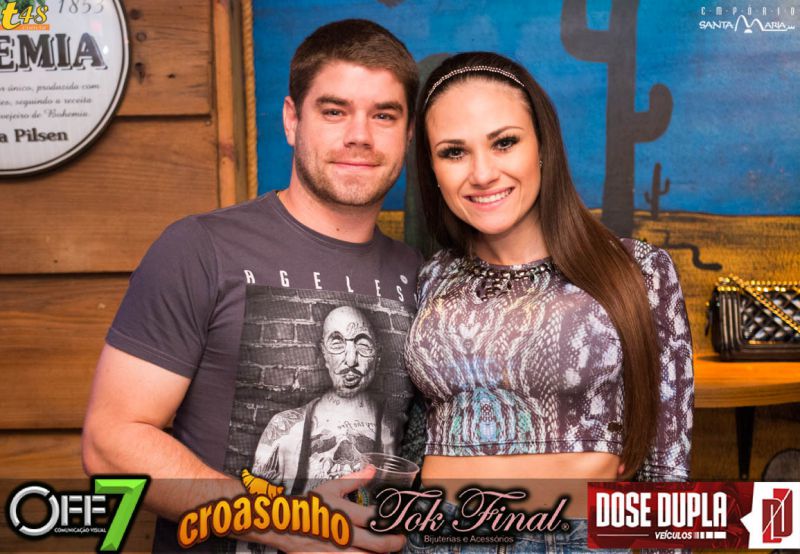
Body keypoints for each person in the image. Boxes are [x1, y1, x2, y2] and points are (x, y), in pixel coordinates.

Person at [82, 19, 422, 553]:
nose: (359, 135)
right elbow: (111, 444)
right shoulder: (200, 248)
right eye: (334, 111)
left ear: (408, 134)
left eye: (383, 115)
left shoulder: (420, 276)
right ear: (291, 120)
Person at [403, 52, 694, 551]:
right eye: (453, 152)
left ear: (542, 145)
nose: (482, 173)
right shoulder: (431, 278)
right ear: (432, 169)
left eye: (504, 142)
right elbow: (413, 440)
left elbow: (669, 469)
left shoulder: (639, 271)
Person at [251, 306, 395, 494]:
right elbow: (254, 505)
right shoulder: (284, 429)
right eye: (337, 343)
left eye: (363, 345)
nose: (351, 360)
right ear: (322, 354)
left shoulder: (394, 432)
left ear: (378, 356)